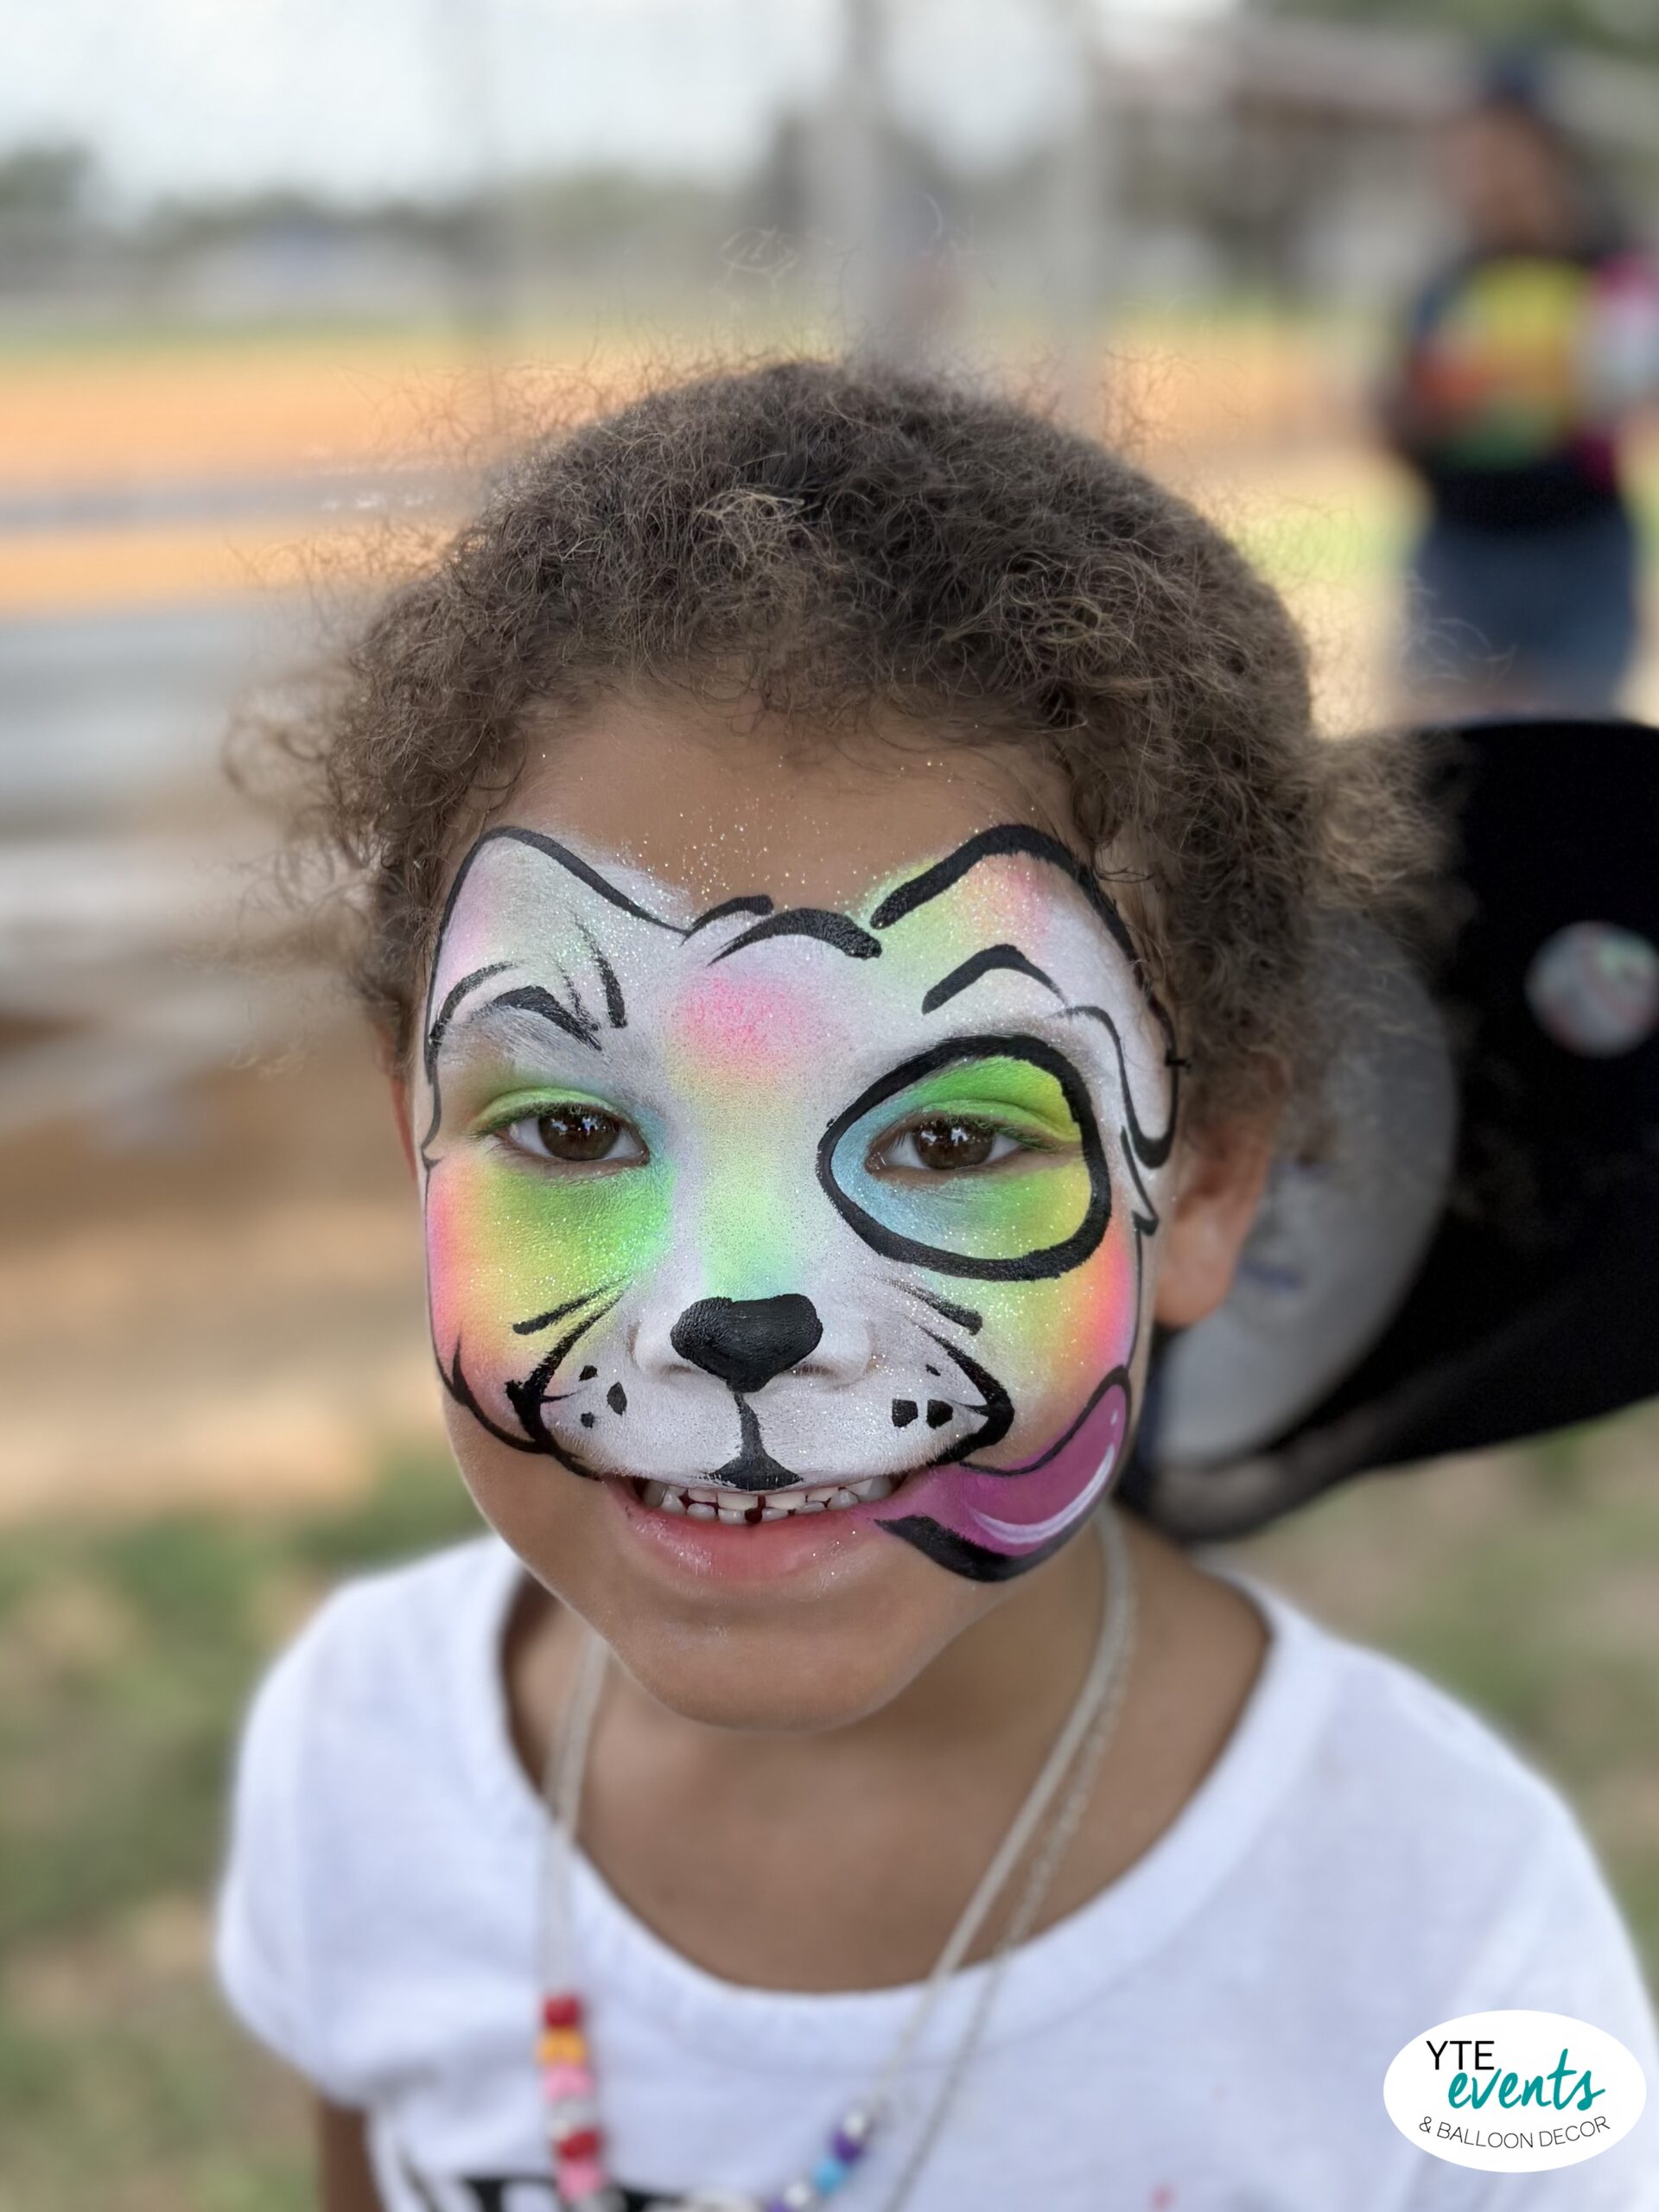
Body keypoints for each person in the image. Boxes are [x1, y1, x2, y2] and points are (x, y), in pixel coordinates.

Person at [215, 359, 1658, 2210]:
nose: (731, 1311)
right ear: (409, 1117)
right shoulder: (364, 1756)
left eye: (954, 1139)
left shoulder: (1447, 1945)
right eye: (573, 1129)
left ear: (1208, 1170)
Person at [1382, 57, 1659, 715]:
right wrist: (1416, 416)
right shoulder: (1445, 287)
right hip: (1460, 556)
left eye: (1499, 153)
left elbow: (1633, 402)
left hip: (1579, 552)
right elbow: (1403, 424)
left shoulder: (1613, 276)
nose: (1483, 178)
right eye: (1469, 159)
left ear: (1547, 155)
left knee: (1571, 765)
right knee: (1446, 770)